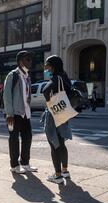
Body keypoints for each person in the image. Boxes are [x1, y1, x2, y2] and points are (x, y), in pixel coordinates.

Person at [3, 50, 38, 174]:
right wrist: (9, 114)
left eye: (30, 59)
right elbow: (7, 96)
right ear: (20, 61)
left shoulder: (27, 76)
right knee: (14, 139)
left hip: (25, 113)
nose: (30, 62)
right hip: (14, 114)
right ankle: (14, 165)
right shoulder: (13, 75)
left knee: (27, 137)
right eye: (27, 59)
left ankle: (25, 163)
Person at [41, 55, 73, 184]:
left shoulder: (55, 78)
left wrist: (49, 102)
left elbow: (45, 90)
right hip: (64, 112)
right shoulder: (65, 77)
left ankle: (58, 175)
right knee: (61, 143)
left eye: (48, 65)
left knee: (54, 143)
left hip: (54, 112)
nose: (46, 68)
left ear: (53, 65)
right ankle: (65, 171)